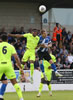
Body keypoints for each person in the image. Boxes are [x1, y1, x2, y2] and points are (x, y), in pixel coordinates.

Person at [0, 34, 24, 100]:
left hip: (0, 65)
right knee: (14, 82)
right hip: (8, 66)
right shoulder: (11, 46)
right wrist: (20, 67)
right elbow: (16, 58)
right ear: (7, 39)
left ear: (1, 39)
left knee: (5, 81)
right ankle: (21, 98)